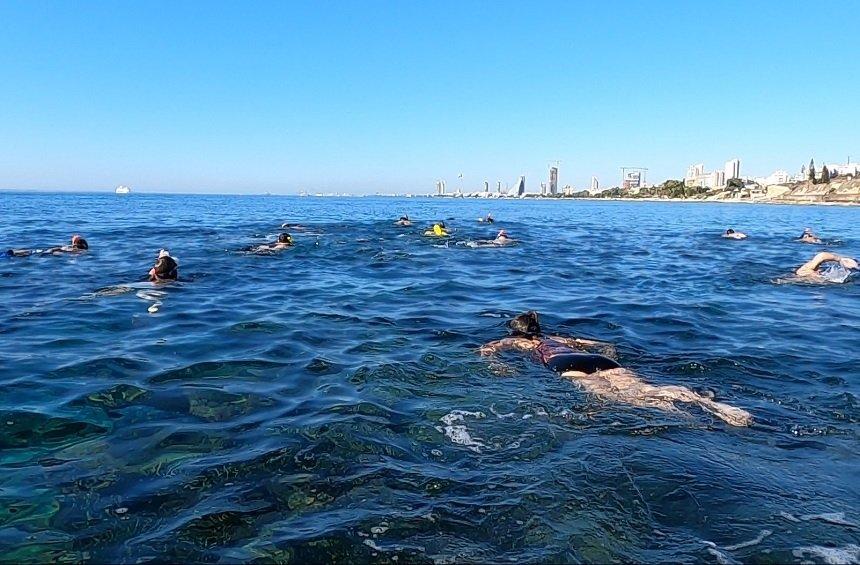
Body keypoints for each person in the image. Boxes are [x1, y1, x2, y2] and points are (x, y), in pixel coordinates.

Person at [479, 311, 753, 427]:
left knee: (618, 398)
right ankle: (713, 405)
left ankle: (677, 414)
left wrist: (496, 365)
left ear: (517, 332)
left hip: (565, 366)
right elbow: (602, 344)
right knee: (647, 388)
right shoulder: (560, 338)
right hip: (599, 361)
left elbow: (488, 350)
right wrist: (610, 354)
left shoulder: (515, 341)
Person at [6, 234, 89, 257]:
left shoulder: (73, 249)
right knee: (33, 253)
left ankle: (14, 253)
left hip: (54, 251)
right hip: (55, 252)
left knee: (32, 252)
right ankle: (15, 254)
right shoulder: (81, 251)